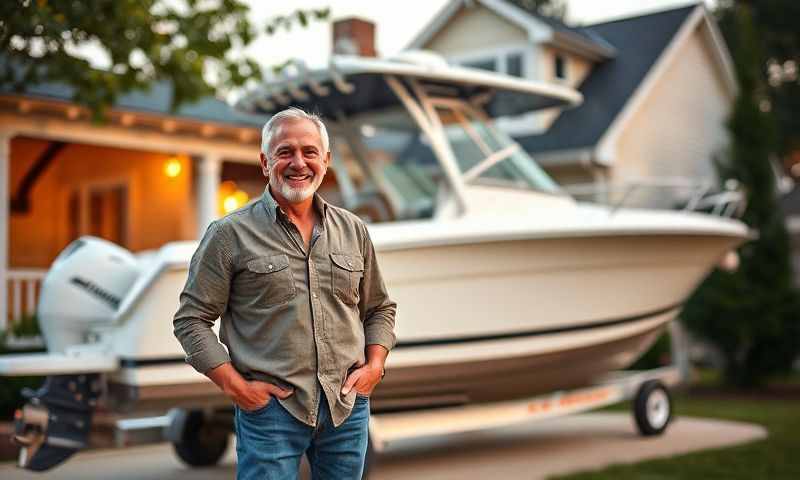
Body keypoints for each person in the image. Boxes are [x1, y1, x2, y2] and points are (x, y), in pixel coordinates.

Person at [173, 107, 397, 479]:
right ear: (265, 162)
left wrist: (375, 367)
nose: (299, 162)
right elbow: (191, 319)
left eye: (309, 152)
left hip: (345, 408)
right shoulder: (229, 235)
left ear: (325, 161)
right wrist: (237, 388)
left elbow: (379, 308)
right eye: (285, 152)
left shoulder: (353, 230)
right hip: (271, 413)